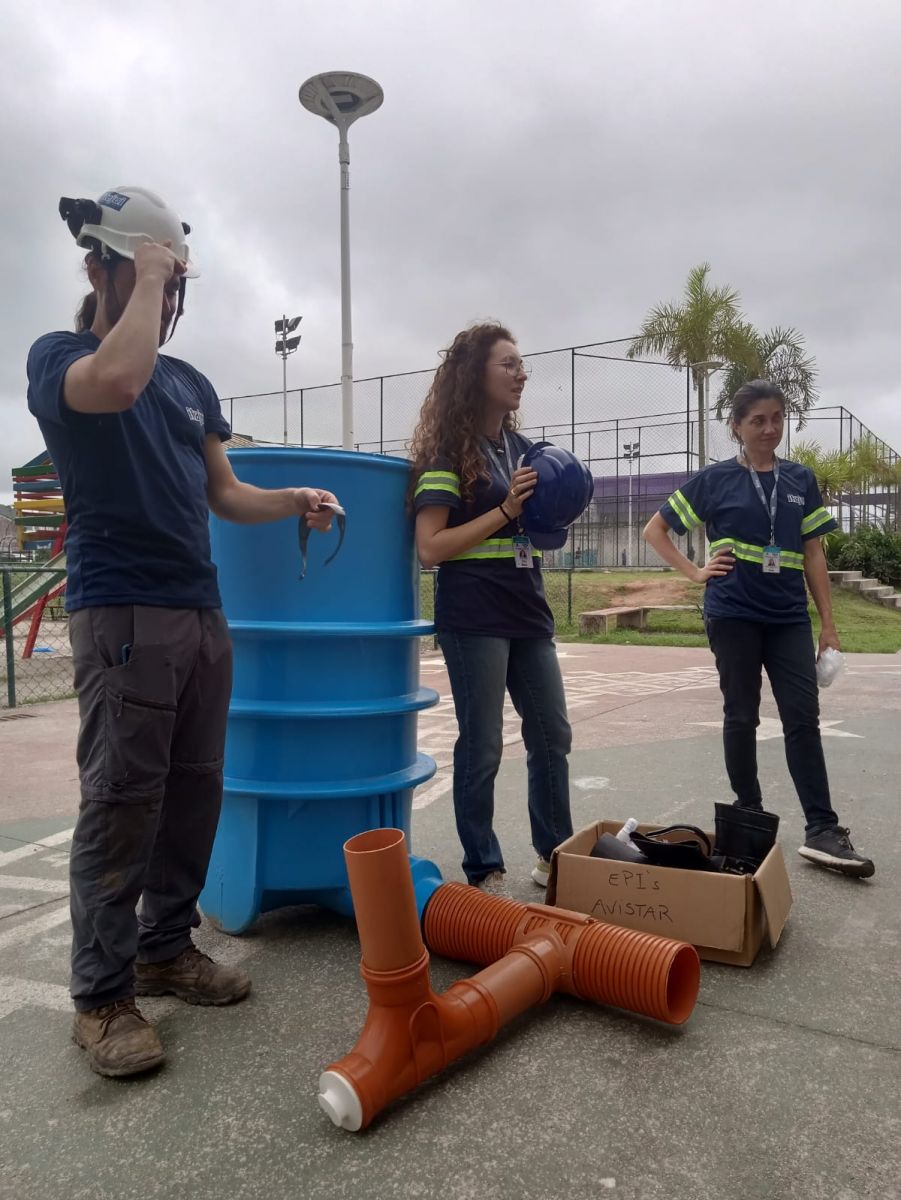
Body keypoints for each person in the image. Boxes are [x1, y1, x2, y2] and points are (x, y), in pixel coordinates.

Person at [26, 186, 341, 1078]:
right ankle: (101, 996)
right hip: (121, 608)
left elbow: (224, 491)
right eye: (153, 281)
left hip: (199, 609)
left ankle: (166, 947)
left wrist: (293, 502)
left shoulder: (190, 383)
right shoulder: (60, 358)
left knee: (196, 787)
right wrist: (142, 284)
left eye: (173, 290)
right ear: (99, 268)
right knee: (124, 799)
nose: (166, 304)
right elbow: (116, 378)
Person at [643, 379, 874, 879]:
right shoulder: (717, 479)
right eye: (757, 421)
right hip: (733, 613)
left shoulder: (800, 480)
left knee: (802, 716)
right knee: (741, 714)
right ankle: (747, 815)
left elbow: (814, 553)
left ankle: (822, 830)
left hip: (788, 616)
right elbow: (655, 530)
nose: (769, 429)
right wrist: (695, 572)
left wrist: (828, 624)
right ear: (737, 427)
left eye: (776, 419)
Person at [409, 322, 574, 896]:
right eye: (508, 364)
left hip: (527, 608)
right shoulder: (446, 453)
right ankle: (485, 868)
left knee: (552, 733)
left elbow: (540, 527)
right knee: (482, 745)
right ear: (474, 373)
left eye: (521, 364)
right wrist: (505, 511)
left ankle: (557, 857)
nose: (521, 373)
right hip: (474, 612)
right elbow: (431, 547)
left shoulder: (526, 451)